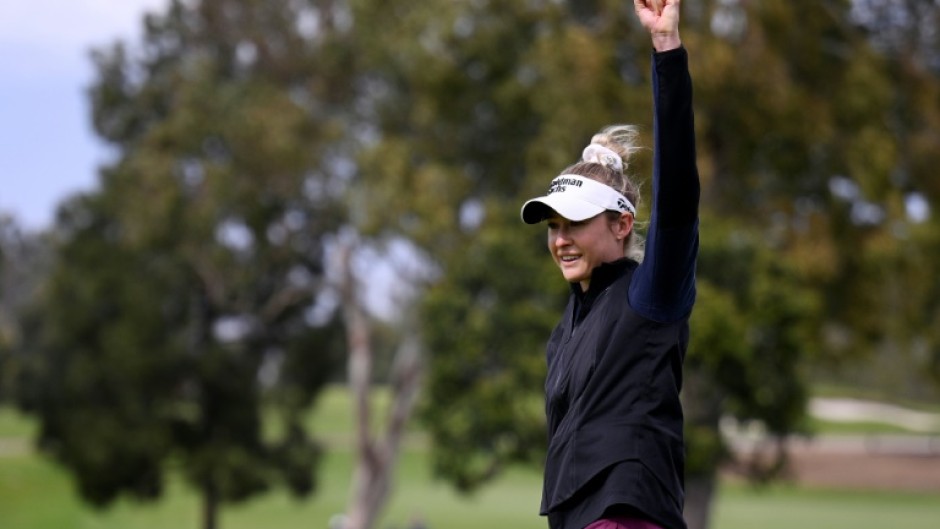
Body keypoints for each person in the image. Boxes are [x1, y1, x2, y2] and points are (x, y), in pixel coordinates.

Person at [519, 2, 698, 529]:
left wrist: (666, 50)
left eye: (574, 223)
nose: (561, 239)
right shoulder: (565, 331)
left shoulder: (651, 297)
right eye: (553, 226)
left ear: (621, 225)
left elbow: (679, 199)